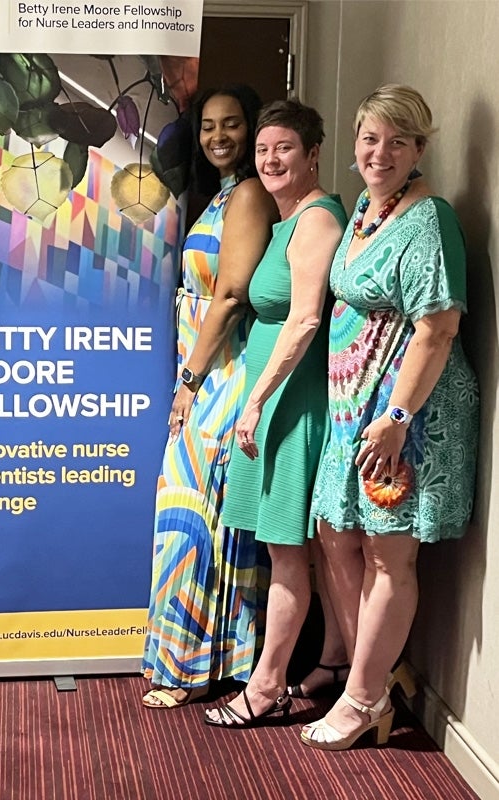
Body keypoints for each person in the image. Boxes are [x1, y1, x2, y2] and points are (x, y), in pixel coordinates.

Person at [304, 85, 478, 750]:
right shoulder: (365, 213)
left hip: (409, 414)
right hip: (355, 409)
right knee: (335, 534)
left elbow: (437, 329)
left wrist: (398, 415)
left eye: (397, 141)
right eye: (372, 138)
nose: (381, 152)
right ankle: (374, 673)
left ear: (419, 151)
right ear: (355, 144)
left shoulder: (428, 220)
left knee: (385, 554)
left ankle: (363, 701)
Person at [204, 100, 348, 728]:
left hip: (293, 400)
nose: (270, 160)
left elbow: (306, 318)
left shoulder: (316, 218)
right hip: (275, 395)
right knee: (300, 547)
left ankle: (267, 686)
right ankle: (335, 662)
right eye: (263, 150)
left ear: (313, 154)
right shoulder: (288, 219)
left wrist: (257, 400)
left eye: (284, 148)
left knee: (286, 548)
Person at [141, 86, 278, 709]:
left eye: (232, 125)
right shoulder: (222, 194)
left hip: (223, 376)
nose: (218, 136)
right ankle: (215, 660)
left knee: (194, 519)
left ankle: (189, 667)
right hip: (205, 367)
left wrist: (190, 383)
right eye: (208, 127)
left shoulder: (249, 194)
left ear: (252, 131)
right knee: (201, 519)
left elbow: (229, 295)